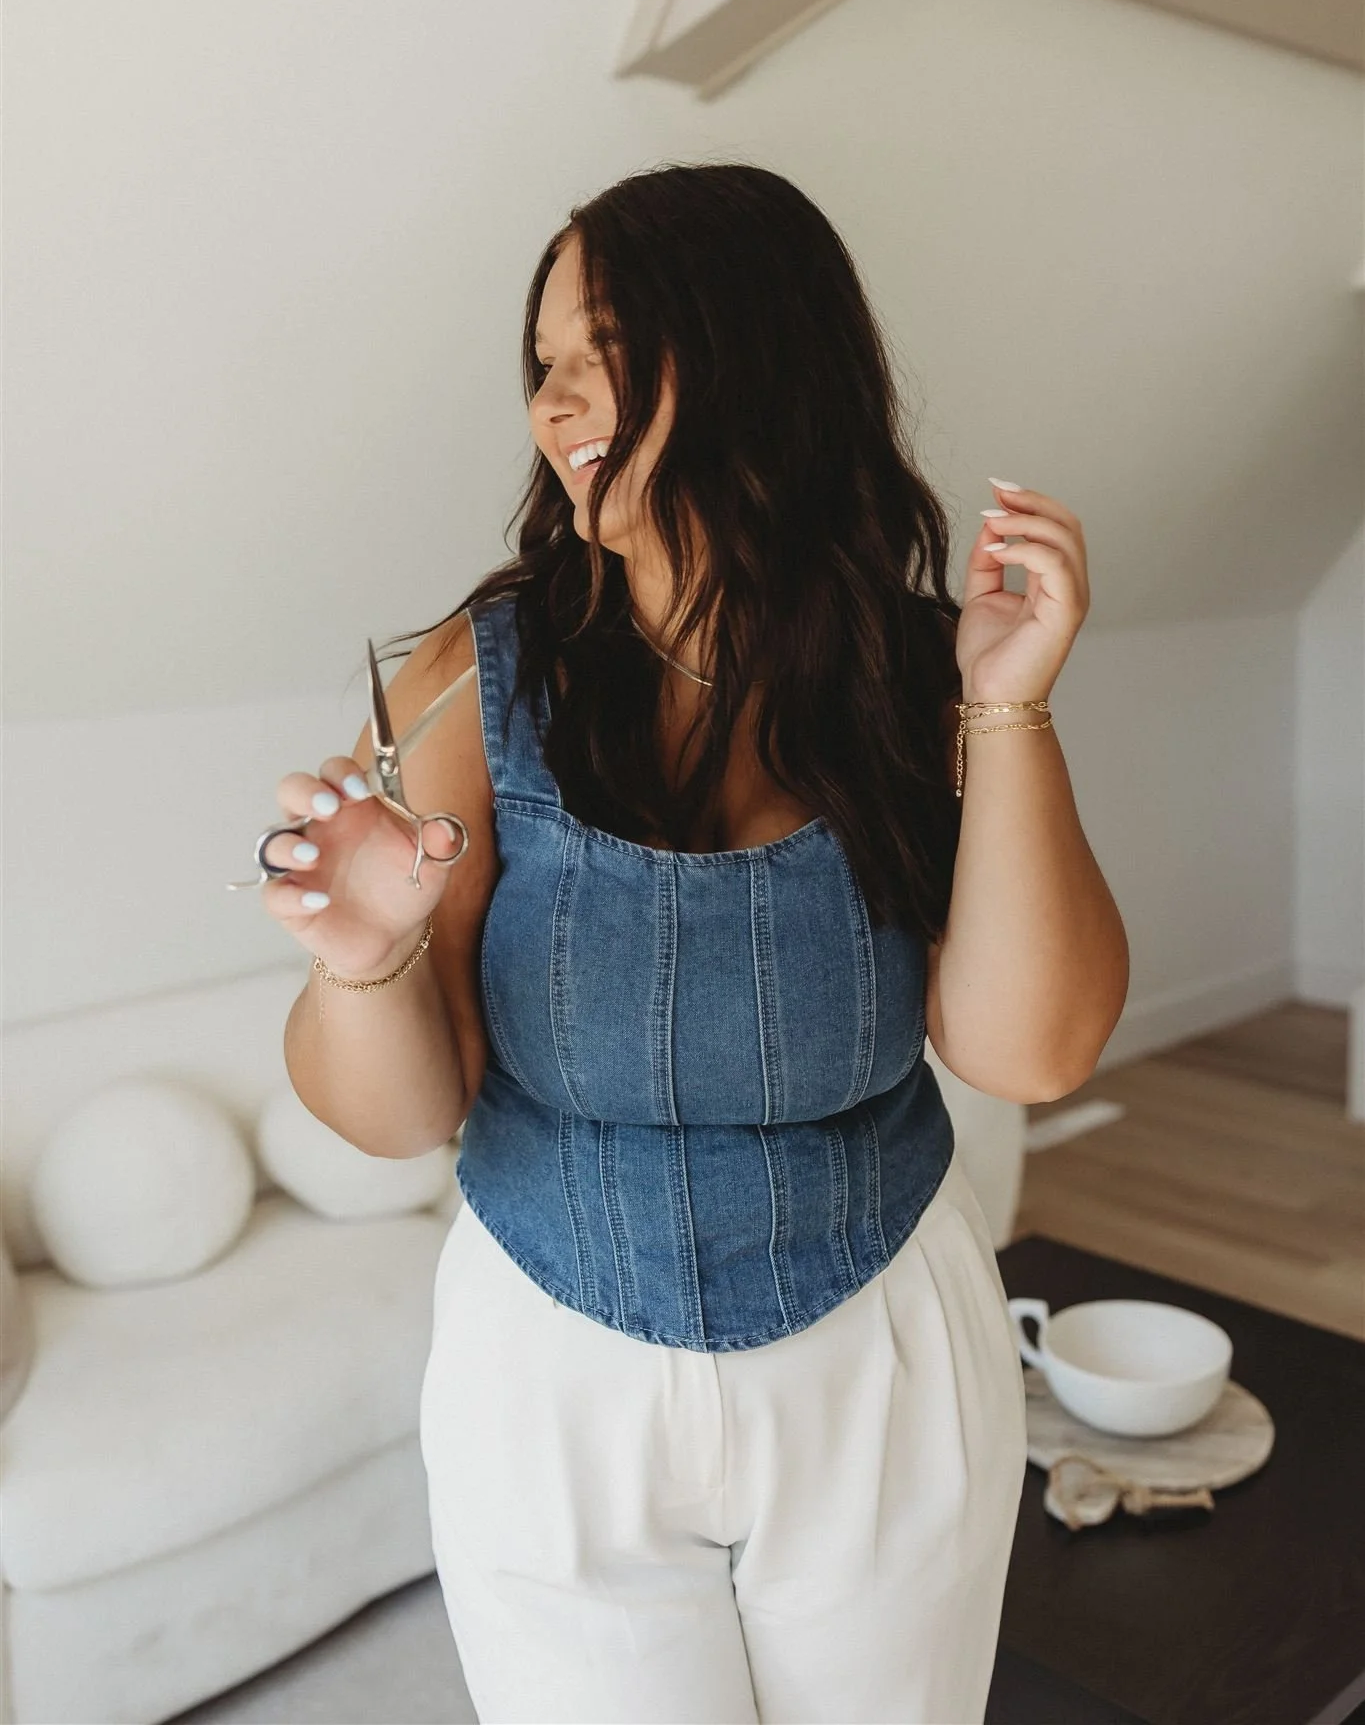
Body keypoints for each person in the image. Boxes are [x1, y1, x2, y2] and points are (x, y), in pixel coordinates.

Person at [263, 163, 1129, 1724]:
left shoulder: (921, 668)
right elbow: (400, 1117)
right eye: (542, 365)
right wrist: (363, 956)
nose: (553, 401)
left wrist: (1011, 701)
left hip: (882, 1357)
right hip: (551, 1375)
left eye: (599, 347)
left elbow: (1032, 1047)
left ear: (752, 348)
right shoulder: (475, 676)